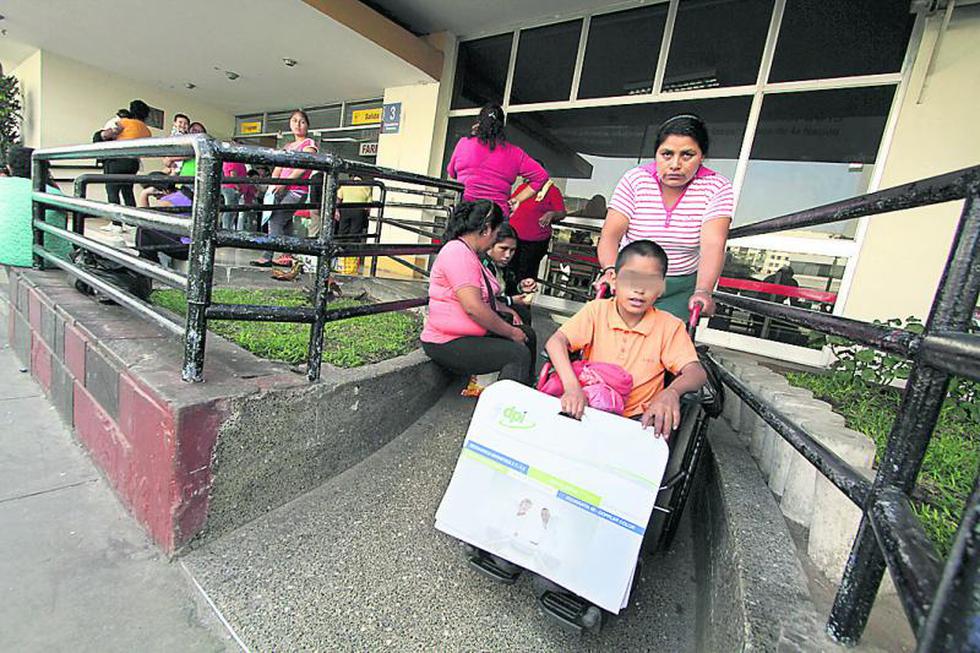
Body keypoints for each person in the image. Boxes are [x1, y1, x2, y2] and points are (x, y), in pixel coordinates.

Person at [546, 240, 707, 434]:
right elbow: (556, 341)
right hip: (590, 409)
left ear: (661, 287)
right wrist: (572, 387)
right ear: (614, 279)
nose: (639, 289)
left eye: (649, 282)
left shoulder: (669, 326)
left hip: (638, 420)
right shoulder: (597, 311)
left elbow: (695, 372)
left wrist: (671, 392)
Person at [594, 114, 733, 321]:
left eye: (687, 155)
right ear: (656, 155)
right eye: (666, 154)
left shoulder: (717, 187)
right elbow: (610, 235)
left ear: (702, 156)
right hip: (632, 278)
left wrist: (703, 290)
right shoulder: (635, 179)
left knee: (663, 345)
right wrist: (610, 270)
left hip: (680, 284)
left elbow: (713, 245)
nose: (675, 164)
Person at [420, 200, 536, 385]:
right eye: (496, 234)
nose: (493, 240)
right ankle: (502, 411)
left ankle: (525, 392)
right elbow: (473, 307)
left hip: (467, 336)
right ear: (487, 229)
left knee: (527, 335)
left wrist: (509, 313)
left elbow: (484, 298)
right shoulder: (457, 252)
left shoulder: (468, 253)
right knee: (517, 354)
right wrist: (511, 333)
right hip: (447, 341)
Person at [446, 103, 549, 217]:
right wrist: (517, 199)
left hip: (466, 212)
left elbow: (452, 172)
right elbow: (541, 176)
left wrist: (473, 136)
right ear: (502, 126)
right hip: (496, 215)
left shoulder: (464, 143)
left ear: (479, 122)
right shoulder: (515, 152)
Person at [251, 110, 318, 268]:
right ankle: (287, 256)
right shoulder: (287, 146)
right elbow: (278, 168)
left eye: (302, 121)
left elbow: (303, 167)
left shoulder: (309, 144)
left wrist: (284, 183)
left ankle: (267, 255)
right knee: (285, 222)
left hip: (296, 190)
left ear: (307, 125)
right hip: (281, 189)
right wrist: (274, 184)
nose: (298, 124)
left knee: (276, 218)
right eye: (294, 120)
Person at [0, 146, 72, 266]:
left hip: (5, 256)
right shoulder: (54, 193)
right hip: (51, 261)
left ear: (9, 167)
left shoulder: (4, 185)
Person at [507, 174, 565, 296]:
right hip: (513, 237)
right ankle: (508, 301)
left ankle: (521, 305)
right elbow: (511, 204)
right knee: (509, 271)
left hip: (534, 241)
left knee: (525, 275)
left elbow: (562, 212)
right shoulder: (523, 187)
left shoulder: (552, 190)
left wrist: (552, 214)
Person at [100, 100, 152, 230]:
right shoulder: (146, 130)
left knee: (112, 191)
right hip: (133, 163)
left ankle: (116, 224)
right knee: (127, 192)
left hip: (116, 160)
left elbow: (104, 135)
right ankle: (131, 223)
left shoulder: (123, 123)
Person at [484, 223, 538, 326]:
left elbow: (508, 287)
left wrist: (521, 287)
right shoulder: (484, 266)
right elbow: (485, 299)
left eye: (512, 250)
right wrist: (511, 300)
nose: (508, 255)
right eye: (503, 249)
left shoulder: (504, 266)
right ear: (490, 245)